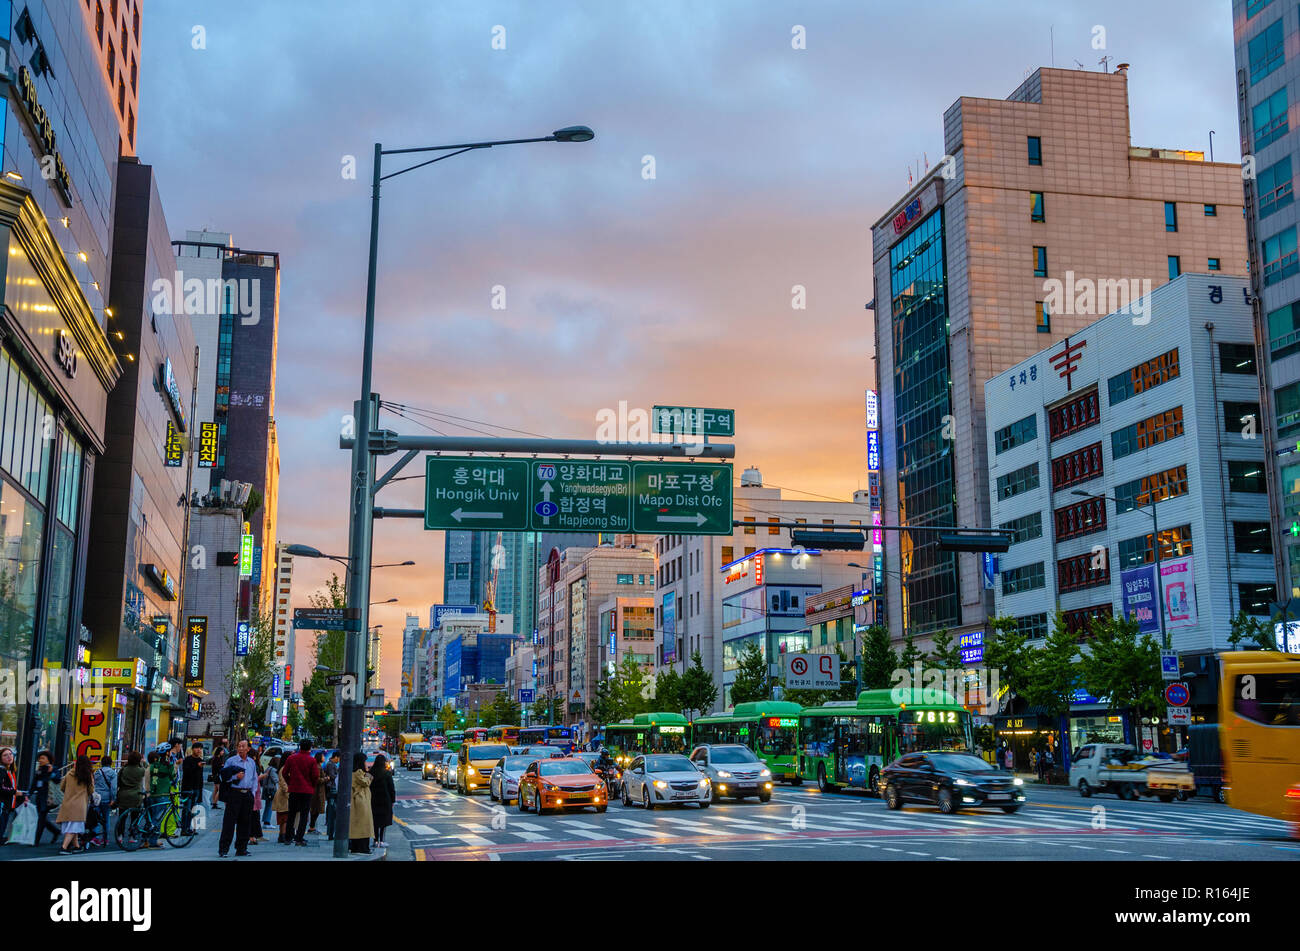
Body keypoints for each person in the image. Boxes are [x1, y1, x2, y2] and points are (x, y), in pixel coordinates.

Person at [217, 739, 257, 857]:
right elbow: (222, 776)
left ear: (248, 749)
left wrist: (253, 793)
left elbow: (254, 779)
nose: (240, 748)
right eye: (239, 746)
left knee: (245, 822)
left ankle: (241, 848)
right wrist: (235, 776)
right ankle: (223, 849)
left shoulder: (251, 762)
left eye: (243, 746)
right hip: (235, 793)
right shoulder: (231, 761)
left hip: (247, 794)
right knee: (229, 823)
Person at [281, 739, 320, 846]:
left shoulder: (291, 758)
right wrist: (312, 785)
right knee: (304, 815)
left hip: (294, 789)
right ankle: (299, 838)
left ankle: (288, 837)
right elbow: (315, 776)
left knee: (291, 813)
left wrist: (290, 782)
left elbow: (284, 772)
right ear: (310, 748)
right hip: (307, 790)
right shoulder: (311, 760)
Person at [56, 755, 94, 854]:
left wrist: (69, 792)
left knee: (72, 826)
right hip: (79, 805)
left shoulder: (69, 774)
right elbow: (91, 790)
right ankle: (64, 847)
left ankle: (77, 846)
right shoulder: (87, 775)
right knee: (74, 828)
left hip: (68, 803)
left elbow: (62, 787)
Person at [30, 751, 65, 848]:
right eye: (40, 758)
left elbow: (58, 780)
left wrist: (51, 773)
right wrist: (29, 793)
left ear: (48, 759)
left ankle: (36, 841)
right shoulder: (39, 770)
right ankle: (56, 831)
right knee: (42, 818)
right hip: (40, 797)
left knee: (41, 818)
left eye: (43, 758)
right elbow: (35, 782)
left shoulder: (53, 769)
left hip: (48, 798)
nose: (41, 760)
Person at [349, 752, 373, 854]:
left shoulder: (352, 771)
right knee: (363, 826)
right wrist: (369, 777)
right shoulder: (358, 772)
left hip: (358, 801)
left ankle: (356, 847)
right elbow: (365, 782)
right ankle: (363, 848)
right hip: (360, 801)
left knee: (357, 826)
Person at [91, 755, 117, 847]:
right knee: (106, 819)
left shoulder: (97, 772)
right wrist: (113, 799)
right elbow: (113, 788)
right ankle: (105, 839)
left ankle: (94, 837)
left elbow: (94, 784)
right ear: (111, 763)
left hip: (97, 798)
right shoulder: (112, 773)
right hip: (106, 798)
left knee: (96, 818)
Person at [370, 753, 394, 849]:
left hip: (373, 799)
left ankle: (375, 840)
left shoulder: (371, 772)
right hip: (385, 799)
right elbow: (391, 788)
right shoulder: (387, 773)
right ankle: (382, 840)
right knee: (384, 821)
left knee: (375, 821)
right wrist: (392, 800)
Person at [179, 744, 204, 835]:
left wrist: (200, 791)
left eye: (200, 748)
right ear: (192, 749)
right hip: (188, 788)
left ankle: (188, 828)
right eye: (197, 748)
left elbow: (200, 777)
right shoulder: (187, 760)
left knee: (192, 809)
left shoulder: (201, 760)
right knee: (186, 809)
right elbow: (187, 773)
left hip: (196, 788)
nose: (199, 750)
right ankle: (183, 829)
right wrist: (197, 766)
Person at [0, 747, 21, 844]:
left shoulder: (10, 771)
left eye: (10, 754)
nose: (9, 757)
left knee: (3, 823)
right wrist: (14, 792)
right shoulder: (1, 771)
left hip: (7, 803)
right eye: (5, 755)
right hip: (2, 803)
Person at [323, 751, 341, 840]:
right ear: (336, 757)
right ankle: (330, 832)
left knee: (332, 811)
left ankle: (330, 831)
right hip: (332, 788)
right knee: (332, 811)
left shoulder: (332, 764)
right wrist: (338, 773)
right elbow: (332, 776)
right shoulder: (331, 764)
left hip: (333, 788)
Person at [309, 752, 327, 833]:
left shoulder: (318, 766)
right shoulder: (318, 767)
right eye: (323, 756)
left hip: (318, 790)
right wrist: (327, 778)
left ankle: (312, 826)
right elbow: (318, 779)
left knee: (315, 809)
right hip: (317, 791)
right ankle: (312, 827)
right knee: (315, 809)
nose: (324, 758)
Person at [260, 756, 280, 827]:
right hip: (271, 790)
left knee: (268, 806)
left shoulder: (268, 768)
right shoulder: (273, 770)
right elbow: (276, 780)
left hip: (266, 789)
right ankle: (267, 822)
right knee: (270, 806)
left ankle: (266, 821)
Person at [209, 743, 227, 810]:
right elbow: (218, 767)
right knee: (220, 790)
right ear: (219, 751)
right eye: (222, 751)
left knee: (216, 789)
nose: (223, 752)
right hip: (218, 776)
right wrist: (222, 766)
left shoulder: (216, 758)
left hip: (215, 776)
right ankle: (214, 803)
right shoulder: (217, 759)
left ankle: (214, 802)